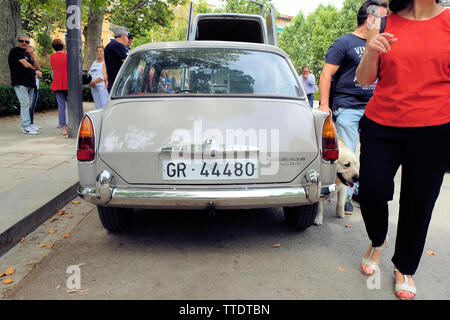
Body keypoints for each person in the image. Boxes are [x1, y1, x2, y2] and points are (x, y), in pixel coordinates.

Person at [355, 0, 449, 300]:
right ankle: (378, 240)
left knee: (418, 203)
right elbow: (364, 79)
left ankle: (405, 266)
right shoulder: (383, 22)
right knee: (370, 191)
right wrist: (371, 51)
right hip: (382, 123)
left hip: (434, 126)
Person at [318, 0, 388, 215]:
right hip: (347, 107)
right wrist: (323, 104)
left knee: (372, 154)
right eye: (384, 19)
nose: (387, 24)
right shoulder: (344, 43)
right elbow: (326, 74)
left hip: (374, 108)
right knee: (347, 156)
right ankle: (345, 197)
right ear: (371, 19)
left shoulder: (382, 44)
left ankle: (359, 192)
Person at [8, 35, 41, 135]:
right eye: (21, 41)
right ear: (18, 42)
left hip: (30, 83)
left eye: (27, 42)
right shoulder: (16, 51)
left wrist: (33, 57)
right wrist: (36, 70)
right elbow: (26, 65)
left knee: (29, 104)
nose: (24, 43)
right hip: (20, 82)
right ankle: (25, 126)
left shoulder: (27, 54)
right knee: (25, 104)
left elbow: (38, 67)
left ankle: (29, 124)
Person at [49, 39, 68, 135]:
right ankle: (77, 123)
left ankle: (63, 128)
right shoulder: (67, 56)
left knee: (61, 106)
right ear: (62, 45)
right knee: (74, 105)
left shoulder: (51, 57)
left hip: (57, 83)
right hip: (68, 83)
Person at [104, 26, 129, 93]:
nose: (128, 39)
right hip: (118, 82)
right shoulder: (118, 45)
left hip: (112, 81)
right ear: (123, 36)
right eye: (127, 37)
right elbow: (128, 62)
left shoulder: (110, 45)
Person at [27, 46, 42, 131]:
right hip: (30, 85)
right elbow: (34, 73)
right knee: (29, 105)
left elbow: (39, 71)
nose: (33, 54)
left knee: (33, 106)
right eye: (31, 52)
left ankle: (31, 122)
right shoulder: (26, 61)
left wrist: (35, 59)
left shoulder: (34, 61)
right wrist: (35, 73)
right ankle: (28, 123)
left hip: (36, 85)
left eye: (33, 52)